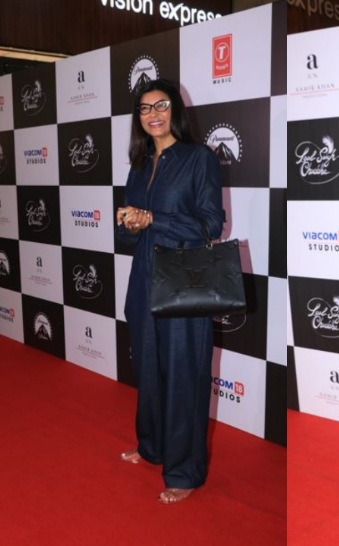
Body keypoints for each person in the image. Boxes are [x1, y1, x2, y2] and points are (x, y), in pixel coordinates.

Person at [115, 79, 223, 505]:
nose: (153, 114)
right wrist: (130, 223)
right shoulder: (139, 164)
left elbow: (210, 225)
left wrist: (152, 219)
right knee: (149, 371)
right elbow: (130, 234)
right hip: (143, 280)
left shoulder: (199, 159)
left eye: (160, 105)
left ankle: (185, 471)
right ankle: (152, 447)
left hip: (183, 281)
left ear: (175, 110)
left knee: (183, 376)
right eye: (144, 109)